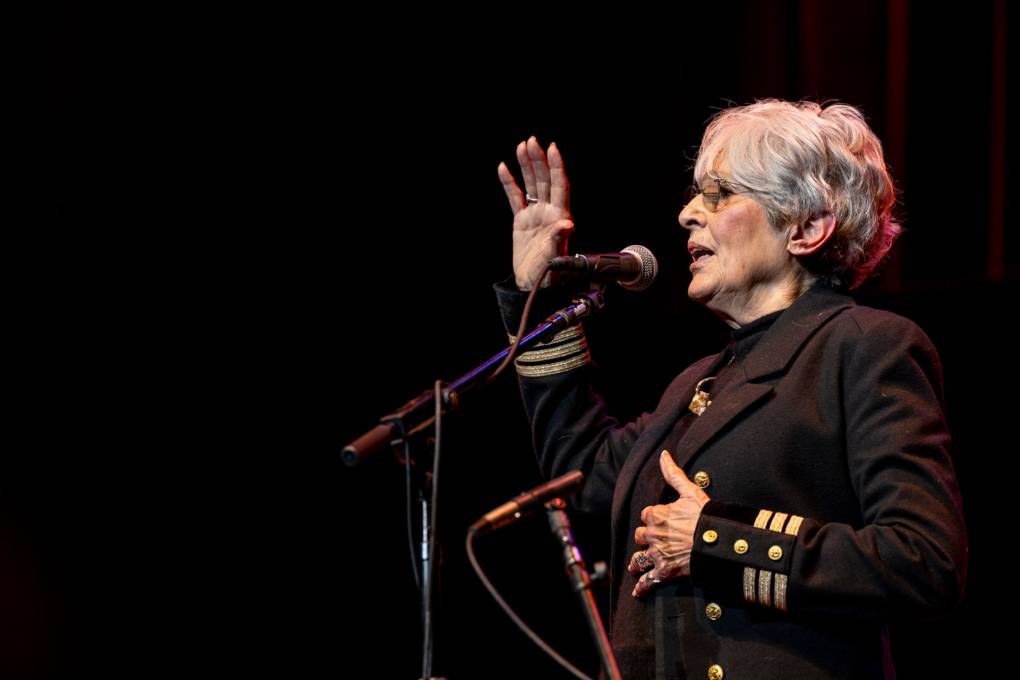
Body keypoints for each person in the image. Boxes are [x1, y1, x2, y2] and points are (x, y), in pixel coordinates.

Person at [492, 100, 967, 679]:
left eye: (719, 194)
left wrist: (713, 538)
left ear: (806, 228)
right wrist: (537, 294)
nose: (688, 213)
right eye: (696, 194)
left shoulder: (865, 346)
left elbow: (923, 561)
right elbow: (584, 473)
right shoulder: (697, 383)